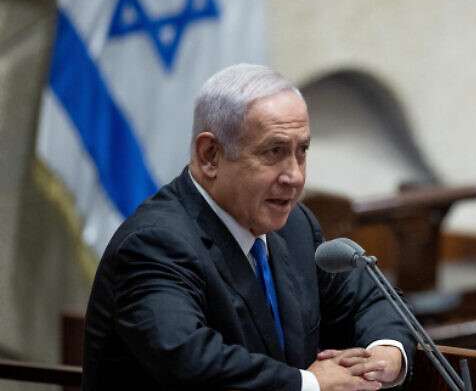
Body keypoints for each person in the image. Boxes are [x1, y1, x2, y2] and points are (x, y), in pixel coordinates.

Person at [82, 64, 414, 391]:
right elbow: (189, 360)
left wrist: (384, 352)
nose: (295, 175)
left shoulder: (295, 226)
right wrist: (312, 384)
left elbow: (370, 301)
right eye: (275, 151)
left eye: (302, 152)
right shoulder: (153, 244)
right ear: (210, 155)